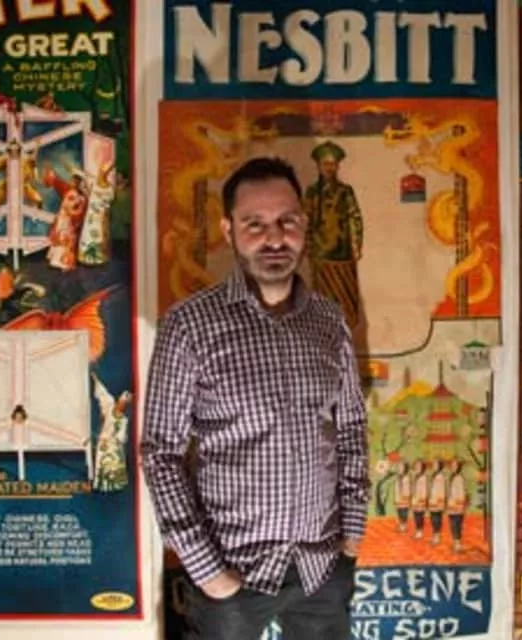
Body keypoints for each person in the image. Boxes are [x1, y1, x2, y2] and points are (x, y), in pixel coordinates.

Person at [141, 156, 369, 640]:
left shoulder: (329, 322)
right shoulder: (189, 326)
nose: (275, 238)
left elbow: (351, 428)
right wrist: (208, 572)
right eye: (255, 224)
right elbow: (160, 453)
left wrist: (350, 540)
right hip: (232, 576)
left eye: (287, 221)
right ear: (229, 230)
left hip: (321, 569)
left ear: (304, 225)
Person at [302, 140, 365, 330]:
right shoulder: (312, 192)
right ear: (319, 166)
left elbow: (355, 217)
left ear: (337, 166)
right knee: (322, 296)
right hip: (320, 253)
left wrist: (356, 245)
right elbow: (306, 220)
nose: (329, 168)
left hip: (343, 251)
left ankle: (347, 327)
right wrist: (307, 245)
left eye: (332, 164)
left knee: (346, 295)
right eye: (325, 164)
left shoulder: (345, 191)